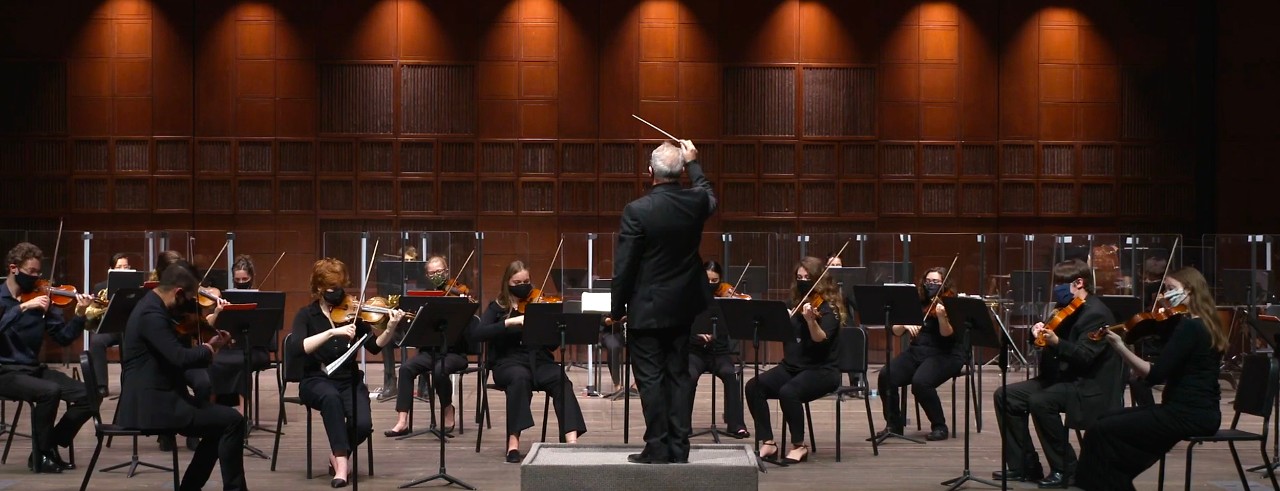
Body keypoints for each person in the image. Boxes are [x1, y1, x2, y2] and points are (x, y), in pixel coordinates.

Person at [608, 139, 716, 465]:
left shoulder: (637, 210)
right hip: (682, 307)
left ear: (650, 172)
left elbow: (624, 266)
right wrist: (695, 161)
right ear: (681, 171)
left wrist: (616, 309)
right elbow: (709, 195)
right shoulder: (695, 202)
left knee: (651, 379)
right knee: (678, 376)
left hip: (647, 308)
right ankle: (679, 448)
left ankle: (657, 446)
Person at [1074, 267, 1226, 491]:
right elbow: (1173, 365)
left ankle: (1105, 482)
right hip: (1196, 411)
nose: (1164, 295)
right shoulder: (1204, 323)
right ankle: (1112, 480)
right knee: (1103, 421)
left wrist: (1120, 347)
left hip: (1187, 414)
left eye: (1171, 289)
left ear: (1191, 292)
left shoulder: (1190, 327)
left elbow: (1155, 375)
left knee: (1102, 430)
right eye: (1165, 289)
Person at [117, 261, 246, 490]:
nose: (190, 304)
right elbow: (178, 357)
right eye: (189, 297)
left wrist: (209, 345)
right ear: (178, 293)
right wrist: (210, 348)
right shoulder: (152, 314)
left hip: (161, 398)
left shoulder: (151, 306)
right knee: (232, 421)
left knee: (224, 423)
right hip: (152, 405)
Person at [992, 259, 1121, 488]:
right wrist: (1036, 334)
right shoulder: (1066, 309)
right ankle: (1025, 465)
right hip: (1060, 378)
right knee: (1005, 395)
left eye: (1061, 283)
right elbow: (1046, 342)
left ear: (1079, 282)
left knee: (1041, 401)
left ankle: (1066, 468)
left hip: (1087, 385)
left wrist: (1057, 342)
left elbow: (1084, 357)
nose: (1056, 289)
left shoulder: (1096, 314)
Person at [289, 258, 399, 488]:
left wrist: (389, 328)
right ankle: (341, 467)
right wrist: (332, 333)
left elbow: (374, 346)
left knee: (363, 425)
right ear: (319, 288)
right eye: (331, 288)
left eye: (340, 287)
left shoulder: (353, 312)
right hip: (316, 379)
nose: (337, 293)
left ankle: (336, 454)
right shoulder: (306, 315)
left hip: (348, 378)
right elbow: (298, 347)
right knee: (331, 399)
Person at [470, 260, 585, 463]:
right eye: (518, 282)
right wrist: (509, 322)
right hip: (508, 363)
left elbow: (550, 347)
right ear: (508, 282)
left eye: (527, 281)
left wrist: (553, 329)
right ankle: (513, 443)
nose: (524, 285)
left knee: (561, 379)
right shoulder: (498, 307)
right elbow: (478, 333)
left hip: (539, 361)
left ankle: (571, 442)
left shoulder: (539, 304)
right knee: (519, 378)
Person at [0, 242, 94, 473]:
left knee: (89, 395)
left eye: (38, 273)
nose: (36, 278)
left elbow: (63, 338)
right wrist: (22, 307)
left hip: (33, 369)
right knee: (49, 391)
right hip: (5, 371)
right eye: (31, 272)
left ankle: (47, 446)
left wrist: (80, 315)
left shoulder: (43, 298)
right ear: (14, 269)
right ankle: (42, 455)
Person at [745, 256, 842, 465]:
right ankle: (768, 442)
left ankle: (799, 446)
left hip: (822, 370)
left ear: (819, 279)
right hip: (792, 367)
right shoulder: (793, 304)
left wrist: (810, 321)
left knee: (789, 392)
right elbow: (782, 336)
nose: (803, 281)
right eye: (799, 277)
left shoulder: (828, 309)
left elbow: (820, 340)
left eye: (808, 277)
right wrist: (780, 322)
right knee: (754, 386)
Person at [384, 255, 470, 437]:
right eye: (432, 273)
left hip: (454, 353)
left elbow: (467, 323)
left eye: (440, 272)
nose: (437, 276)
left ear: (447, 271)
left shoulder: (459, 293)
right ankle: (402, 421)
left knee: (440, 370)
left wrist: (463, 300)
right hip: (430, 351)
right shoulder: (424, 298)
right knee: (406, 368)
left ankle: (447, 408)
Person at [876, 267, 965, 441]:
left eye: (936, 282)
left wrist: (942, 317)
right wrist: (905, 324)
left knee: (921, 382)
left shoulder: (949, 303)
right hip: (918, 351)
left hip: (945, 353)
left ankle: (939, 426)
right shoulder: (917, 301)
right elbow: (896, 331)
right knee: (886, 375)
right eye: (928, 282)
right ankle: (894, 424)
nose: (931, 285)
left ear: (944, 284)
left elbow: (947, 334)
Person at [691, 261, 748, 439]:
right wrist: (697, 334)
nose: (711, 285)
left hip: (720, 352)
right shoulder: (689, 296)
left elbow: (742, 315)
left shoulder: (726, 296)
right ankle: (682, 425)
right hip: (695, 351)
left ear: (720, 280)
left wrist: (734, 306)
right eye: (707, 280)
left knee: (731, 375)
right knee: (687, 375)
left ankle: (736, 424)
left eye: (715, 281)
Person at [208, 255, 272, 408]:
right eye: (238, 280)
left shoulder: (261, 298)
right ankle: (210, 409)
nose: (241, 283)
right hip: (229, 347)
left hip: (254, 347)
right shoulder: (224, 298)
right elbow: (209, 326)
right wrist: (218, 311)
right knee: (212, 361)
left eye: (245, 279)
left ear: (252, 277)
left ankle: (243, 414)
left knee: (242, 361)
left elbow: (266, 329)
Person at [88, 252, 134, 396]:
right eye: (119, 267)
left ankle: (130, 384)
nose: (123, 270)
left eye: (126, 267)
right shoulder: (100, 287)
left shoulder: (137, 285)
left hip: (130, 328)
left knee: (129, 340)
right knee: (96, 341)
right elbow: (94, 311)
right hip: (111, 328)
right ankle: (101, 385)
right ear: (111, 270)